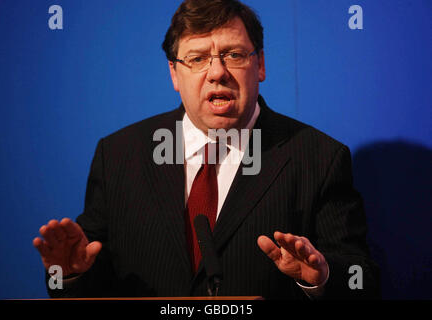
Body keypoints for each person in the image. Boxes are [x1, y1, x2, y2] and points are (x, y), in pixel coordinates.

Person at [33, 0, 379, 299]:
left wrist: (321, 280)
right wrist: (67, 274)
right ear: (173, 73)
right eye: (197, 58)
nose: (217, 72)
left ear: (260, 65)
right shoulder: (119, 155)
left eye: (233, 55)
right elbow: (90, 283)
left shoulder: (318, 158)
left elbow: (361, 281)